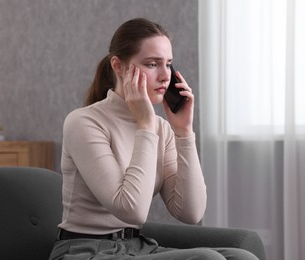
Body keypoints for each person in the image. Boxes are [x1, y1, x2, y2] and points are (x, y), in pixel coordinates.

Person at [49, 18, 258, 260]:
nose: (164, 76)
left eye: (168, 64)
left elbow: (191, 212)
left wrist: (183, 132)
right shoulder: (83, 123)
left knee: (242, 257)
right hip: (84, 252)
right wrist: (145, 126)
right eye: (152, 64)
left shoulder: (163, 129)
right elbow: (132, 210)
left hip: (136, 248)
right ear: (118, 66)